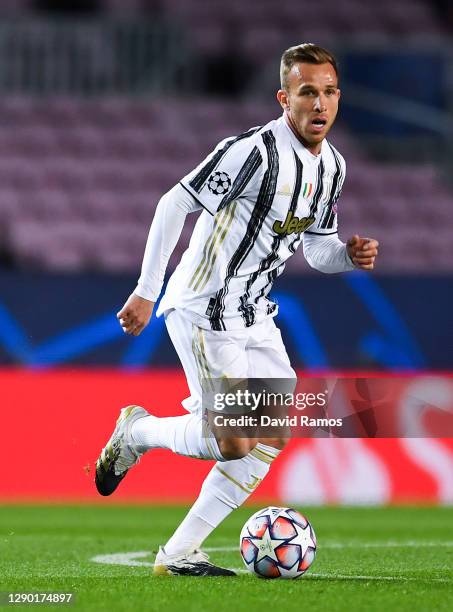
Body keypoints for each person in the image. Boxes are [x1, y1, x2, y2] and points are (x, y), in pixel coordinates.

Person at [95, 43, 379, 576]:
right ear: (283, 98)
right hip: (204, 306)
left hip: (254, 312)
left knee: (270, 435)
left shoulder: (333, 167)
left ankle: (178, 554)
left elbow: (317, 247)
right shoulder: (252, 152)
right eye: (307, 93)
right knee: (233, 441)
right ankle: (137, 432)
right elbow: (173, 202)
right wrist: (145, 289)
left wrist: (347, 255)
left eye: (329, 92)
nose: (320, 104)